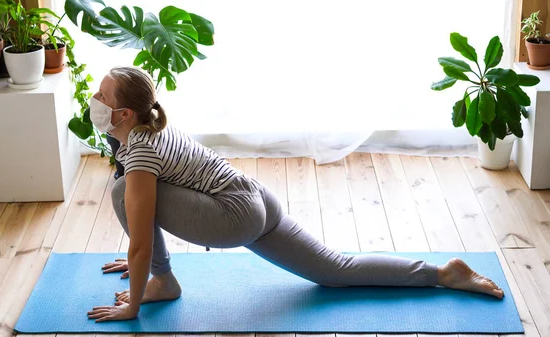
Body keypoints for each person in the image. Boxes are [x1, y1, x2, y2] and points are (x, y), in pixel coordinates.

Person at [86, 66, 505, 323]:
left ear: (123, 114)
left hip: (234, 215)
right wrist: (138, 259)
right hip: (256, 199)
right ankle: (443, 274)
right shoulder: (151, 128)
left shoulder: (138, 151)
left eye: (102, 96)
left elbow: (140, 241)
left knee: (124, 190)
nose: (94, 99)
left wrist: (134, 303)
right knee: (335, 269)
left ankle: (164, 283)